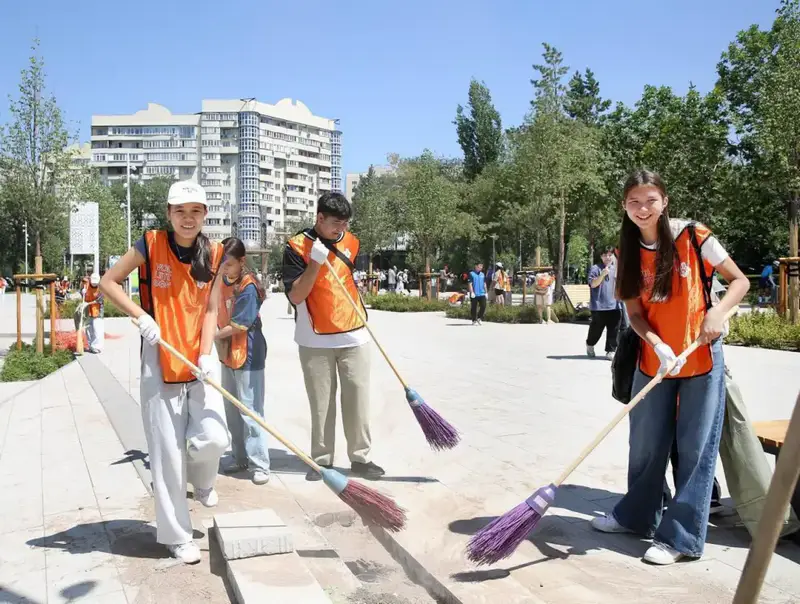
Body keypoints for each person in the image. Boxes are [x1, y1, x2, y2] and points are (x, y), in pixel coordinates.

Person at [590, 169, 749, 565]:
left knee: (695, 449)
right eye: (634, 202)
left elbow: (740, 282)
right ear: (625, 207)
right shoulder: (626, 251)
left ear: (664, 202)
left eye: (650, 201)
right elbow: (634, 312)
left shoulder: (693, 237)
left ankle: (680, 539)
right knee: (644, 446)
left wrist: (718, 313)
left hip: (700, 360)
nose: (642, 209)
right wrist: (656, 343)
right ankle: (637, 516)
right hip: (654, 363)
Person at [99, 180, 229, 565]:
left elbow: (210, 309)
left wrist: (206, 355)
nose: (187, 219)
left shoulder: (216, 251)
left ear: (205, 214)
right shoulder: (150, 243)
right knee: (166, 452)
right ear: (168, 213)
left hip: (198, 357)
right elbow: (109, 282)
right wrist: (141, 318)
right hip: (159, 355)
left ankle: (203, 481)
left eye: (195, 212)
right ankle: (176, 534)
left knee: (214, 437)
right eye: (179, 211)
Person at [282, 192, 385, 482]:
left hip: (354, 336)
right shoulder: (295, 246)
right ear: (319, 218)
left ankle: (361, 458)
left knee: (358, 401)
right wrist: (314, 263)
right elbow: (296, 294)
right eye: (335, 223)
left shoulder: (351, 242)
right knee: (321, 404)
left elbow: (349, 278)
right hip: (315, 340)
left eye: (345, 223)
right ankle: (322, 461)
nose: (340, 229)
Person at [214, 237, 270, 486]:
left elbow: (240, 324)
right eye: (221, 265)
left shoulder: (249, 287)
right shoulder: (221, 280)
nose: (224, 269)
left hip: (248, 354)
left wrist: (209, 336)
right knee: (231, 408)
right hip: (227, 353)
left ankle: (261, 464)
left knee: (250, 411)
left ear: (241, 262)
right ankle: (240, 458)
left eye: (228, 265)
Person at [586, 247, 621, 360]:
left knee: (614, 330)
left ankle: (610, 350)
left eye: (610, 255)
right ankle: (590, 344)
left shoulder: (616, 269)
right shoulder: (595, 268)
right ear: (601, 256)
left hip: (615, 305)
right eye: (605, 255)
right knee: (596, 330)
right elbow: (593, 284)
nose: (608, 257)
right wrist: (602, 275)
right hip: (599, 306)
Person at [83, 273, 105, 353]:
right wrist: (82, 291)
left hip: (98, 311)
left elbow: (99, 300)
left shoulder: (101, 288)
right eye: (93, 283)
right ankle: (90, 346)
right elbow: (82, 293)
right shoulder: (86, 284)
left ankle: (97, 346)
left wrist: (88, 303)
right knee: (88, 329)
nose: (94, 284)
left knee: (97, 329)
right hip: (87, 310)